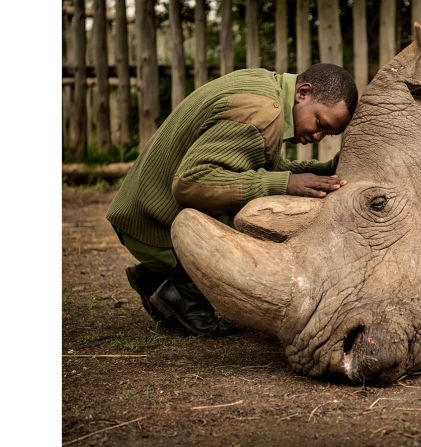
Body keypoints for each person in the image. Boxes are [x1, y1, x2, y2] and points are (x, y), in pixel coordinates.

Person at [106, 64, 358, 337]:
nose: (318, 136)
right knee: (261, 218)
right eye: (320, 123)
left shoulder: (266, 88)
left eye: (328, 134)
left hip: (141, 211)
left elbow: (254, 166)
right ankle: (179, 289)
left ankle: (157, 278)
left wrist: (321, 171)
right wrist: (284, 184)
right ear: (303, 93)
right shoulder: (262, 113)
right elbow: (191, 184)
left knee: (263, 194)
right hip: (152, 225)